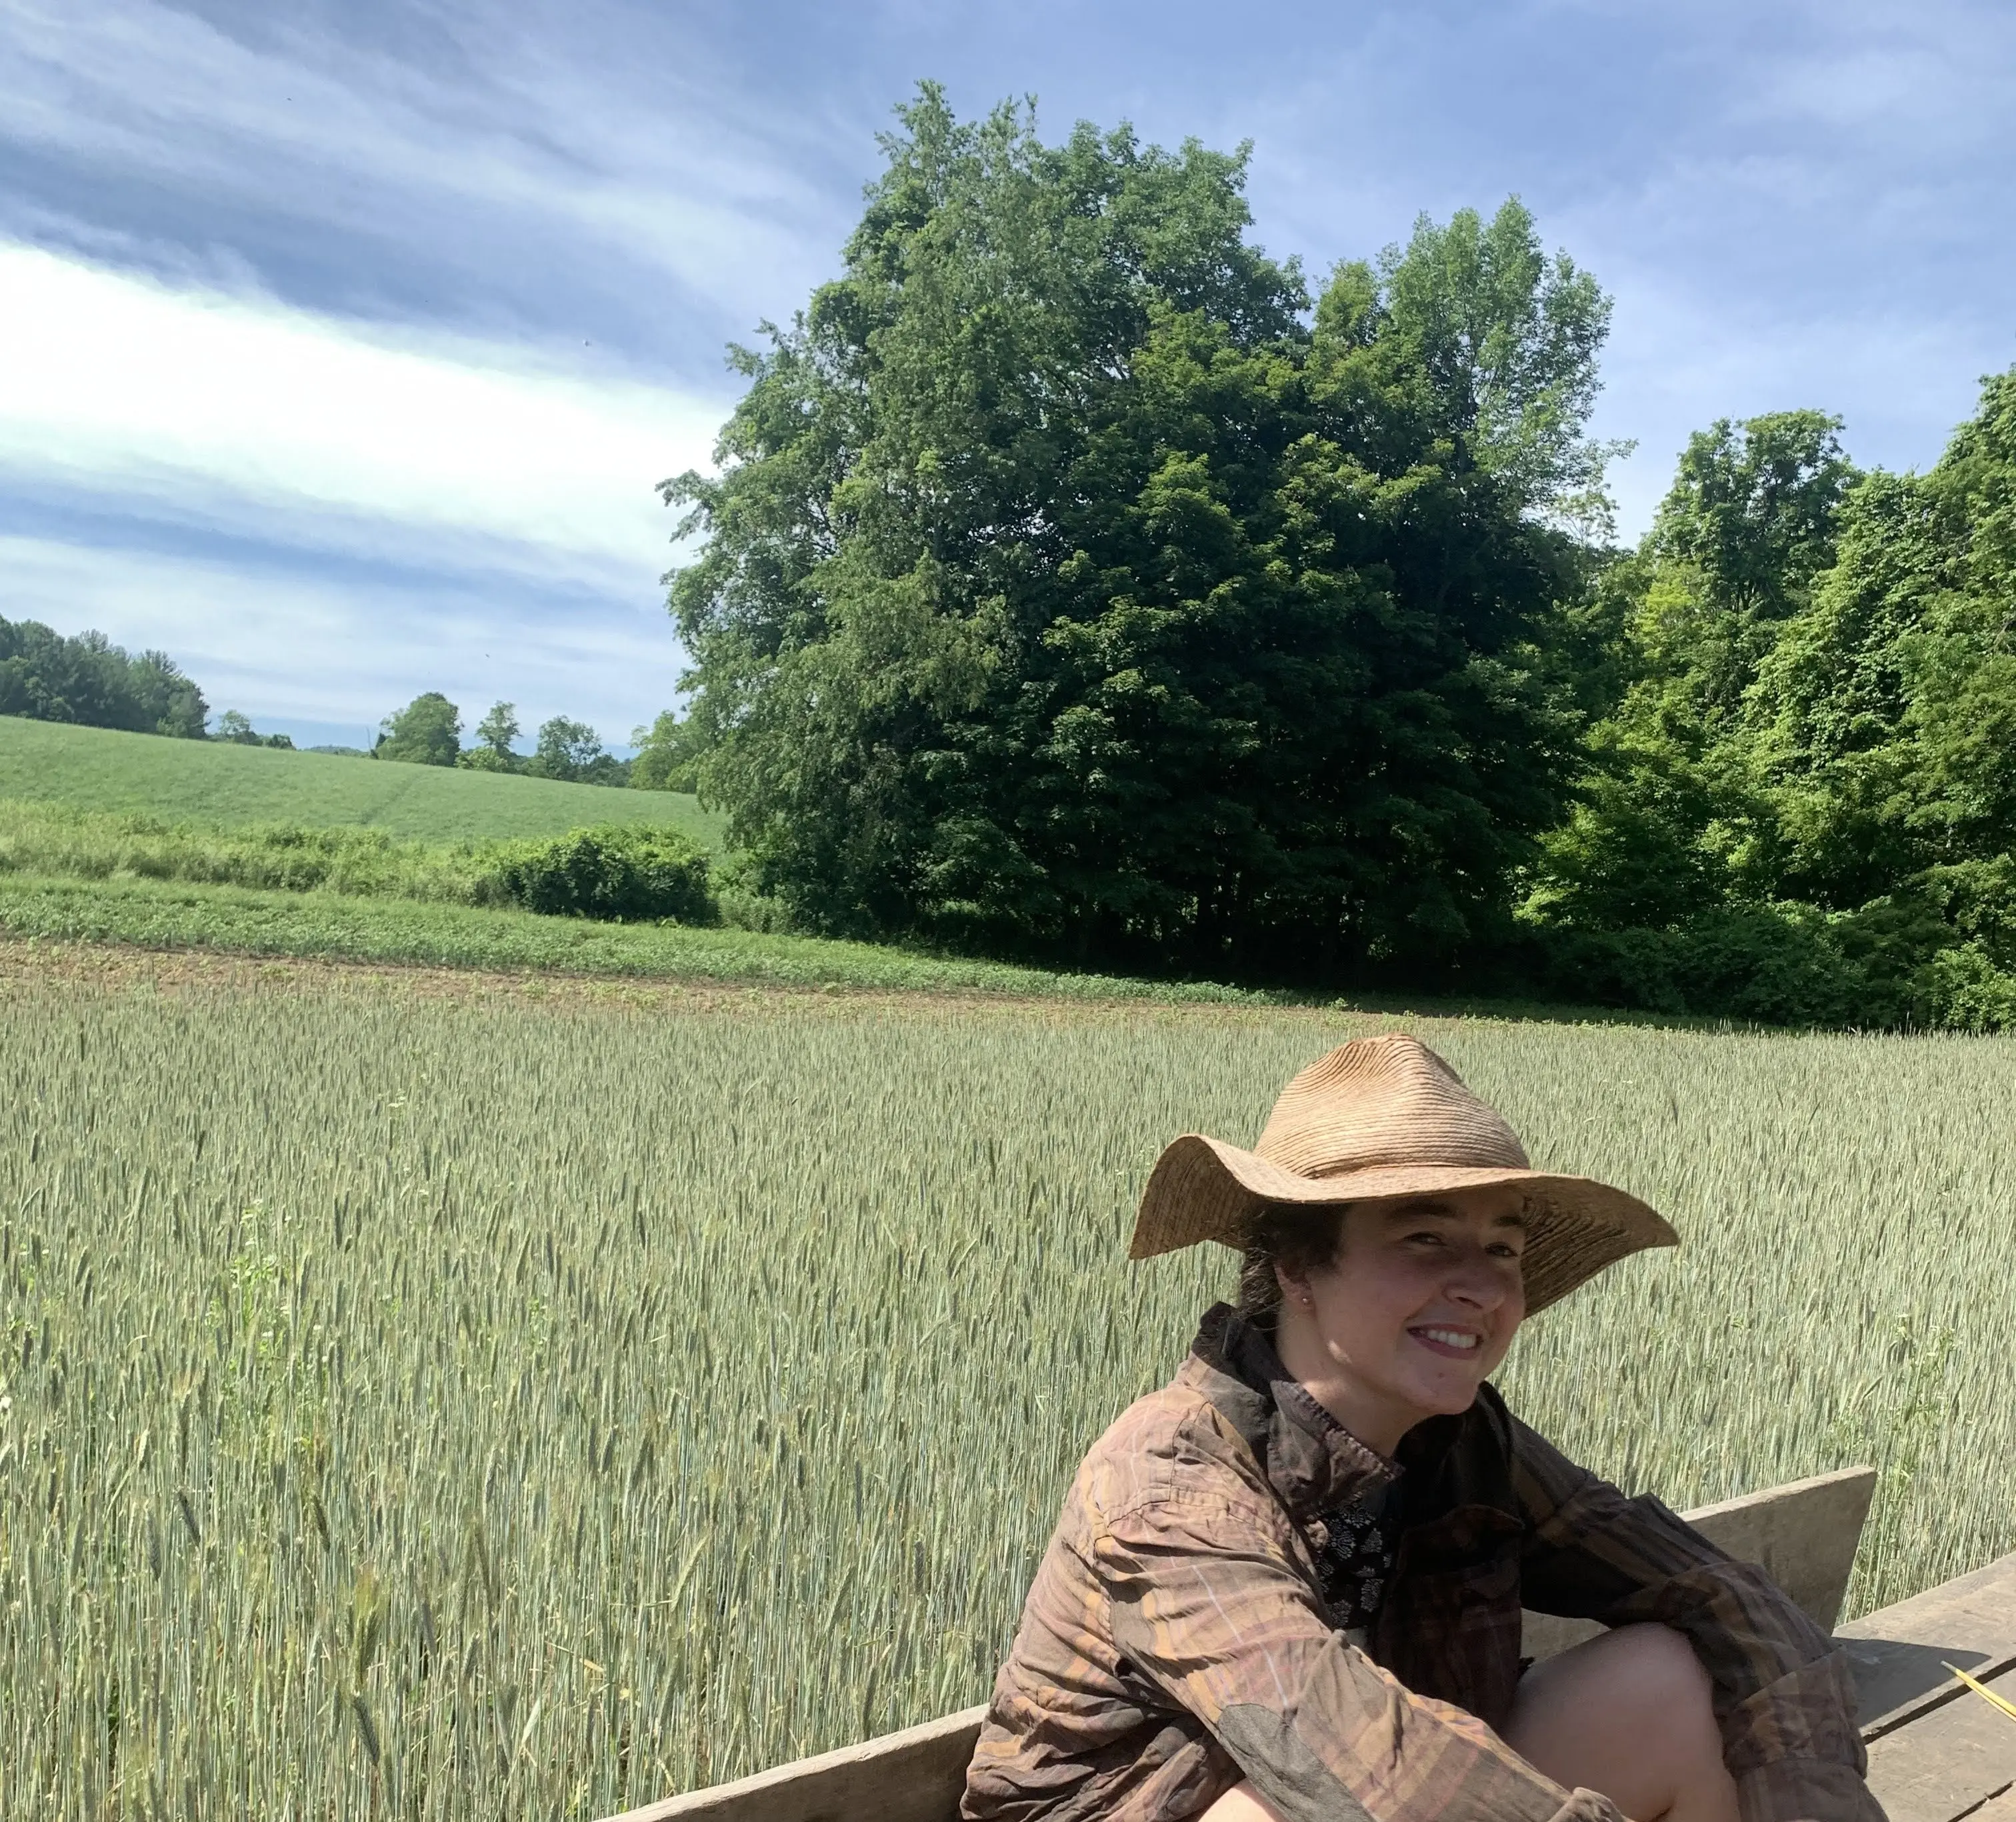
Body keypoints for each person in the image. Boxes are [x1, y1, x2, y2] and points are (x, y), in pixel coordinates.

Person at [961, 1035, 1878, 1822]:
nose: (1481, 1286)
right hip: (1237, 1802)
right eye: (1423, 1239)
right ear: (1297, 1267)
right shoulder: (1170, 1478)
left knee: (1671, 1683)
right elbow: (1337, 1752)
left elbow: (1719, 1596)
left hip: (1400, 1792)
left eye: (1503, 1248)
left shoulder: (1469, 1443)